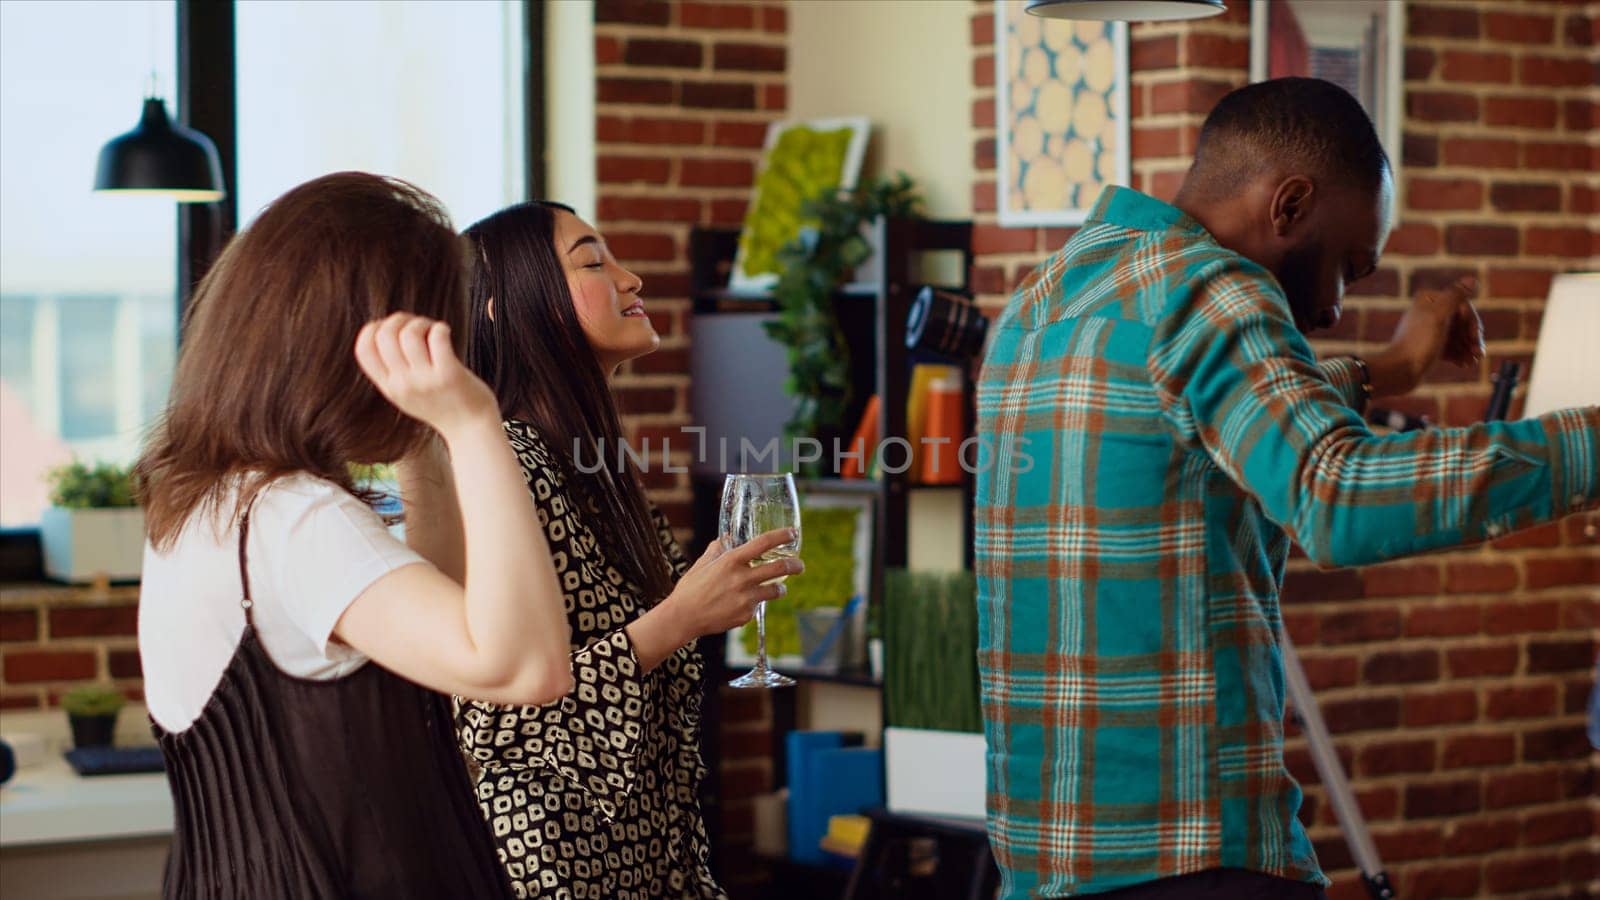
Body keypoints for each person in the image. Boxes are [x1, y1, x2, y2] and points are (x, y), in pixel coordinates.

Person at [974, 77, 1599, 899]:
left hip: (1044, 853)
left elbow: (1189, 416)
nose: (1338, 304)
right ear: (1291, 203)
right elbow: (1339, 496)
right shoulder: (1216, 290)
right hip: (1192, 849)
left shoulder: (1044, 298)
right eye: (1348, 264)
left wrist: (1393, 369)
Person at [136, 172, 577, 899]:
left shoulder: (214, 499)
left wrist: (422, 439)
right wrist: (472, 424)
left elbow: (444, 634)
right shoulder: (297, 518)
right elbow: (527, 670)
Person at [458, 200, 801, 899]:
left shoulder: (597, 470)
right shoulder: (506, 471)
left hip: (648, 856)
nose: (632, 277)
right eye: (592, 261)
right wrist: (681, 618)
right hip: (549, 863)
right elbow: (484, 720)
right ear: (504, 306)